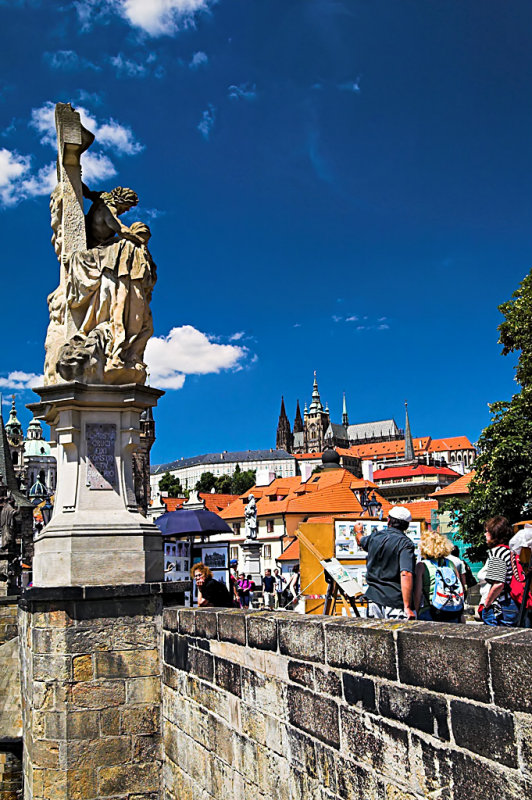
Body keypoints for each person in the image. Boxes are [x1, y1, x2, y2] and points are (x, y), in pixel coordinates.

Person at [355, 506, 416, 620]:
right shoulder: (405, 544)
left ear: (389, 520)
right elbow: (406, 573)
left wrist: (358, 531)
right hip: (394, 602)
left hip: (374, 598)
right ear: (406, 526)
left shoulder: (375, 537)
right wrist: (407, 607)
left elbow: (360, 540)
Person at [414, 531, 465, 623]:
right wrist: (461, 613)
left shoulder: (422, 566)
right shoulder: (450, 564)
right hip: (451, 610)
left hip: (429, 611)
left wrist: (416, 612)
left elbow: (418, 593)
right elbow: (459, 588)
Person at [479, 516, 519, 627]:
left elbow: (498, 583)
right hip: (513, 602)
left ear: (494, 533)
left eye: (487, 531)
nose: (485, 534)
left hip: (502, 605)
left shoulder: (497, 552)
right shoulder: (509, 550)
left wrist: (487, 603)